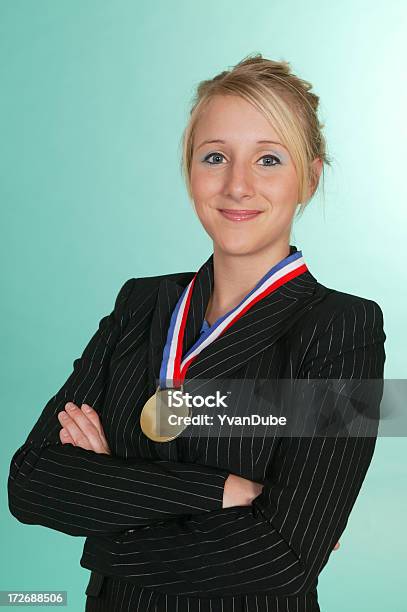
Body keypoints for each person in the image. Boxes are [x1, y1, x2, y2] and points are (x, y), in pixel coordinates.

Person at [7, 54, 385, 612]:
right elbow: (32, 482)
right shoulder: (140, 303)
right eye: (215, 157)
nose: (237, 185)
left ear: (310, 176)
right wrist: (218, 491)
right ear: (190, 171)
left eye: (268, 159)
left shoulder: (342, 329)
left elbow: (284, 555)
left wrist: (108, 504)